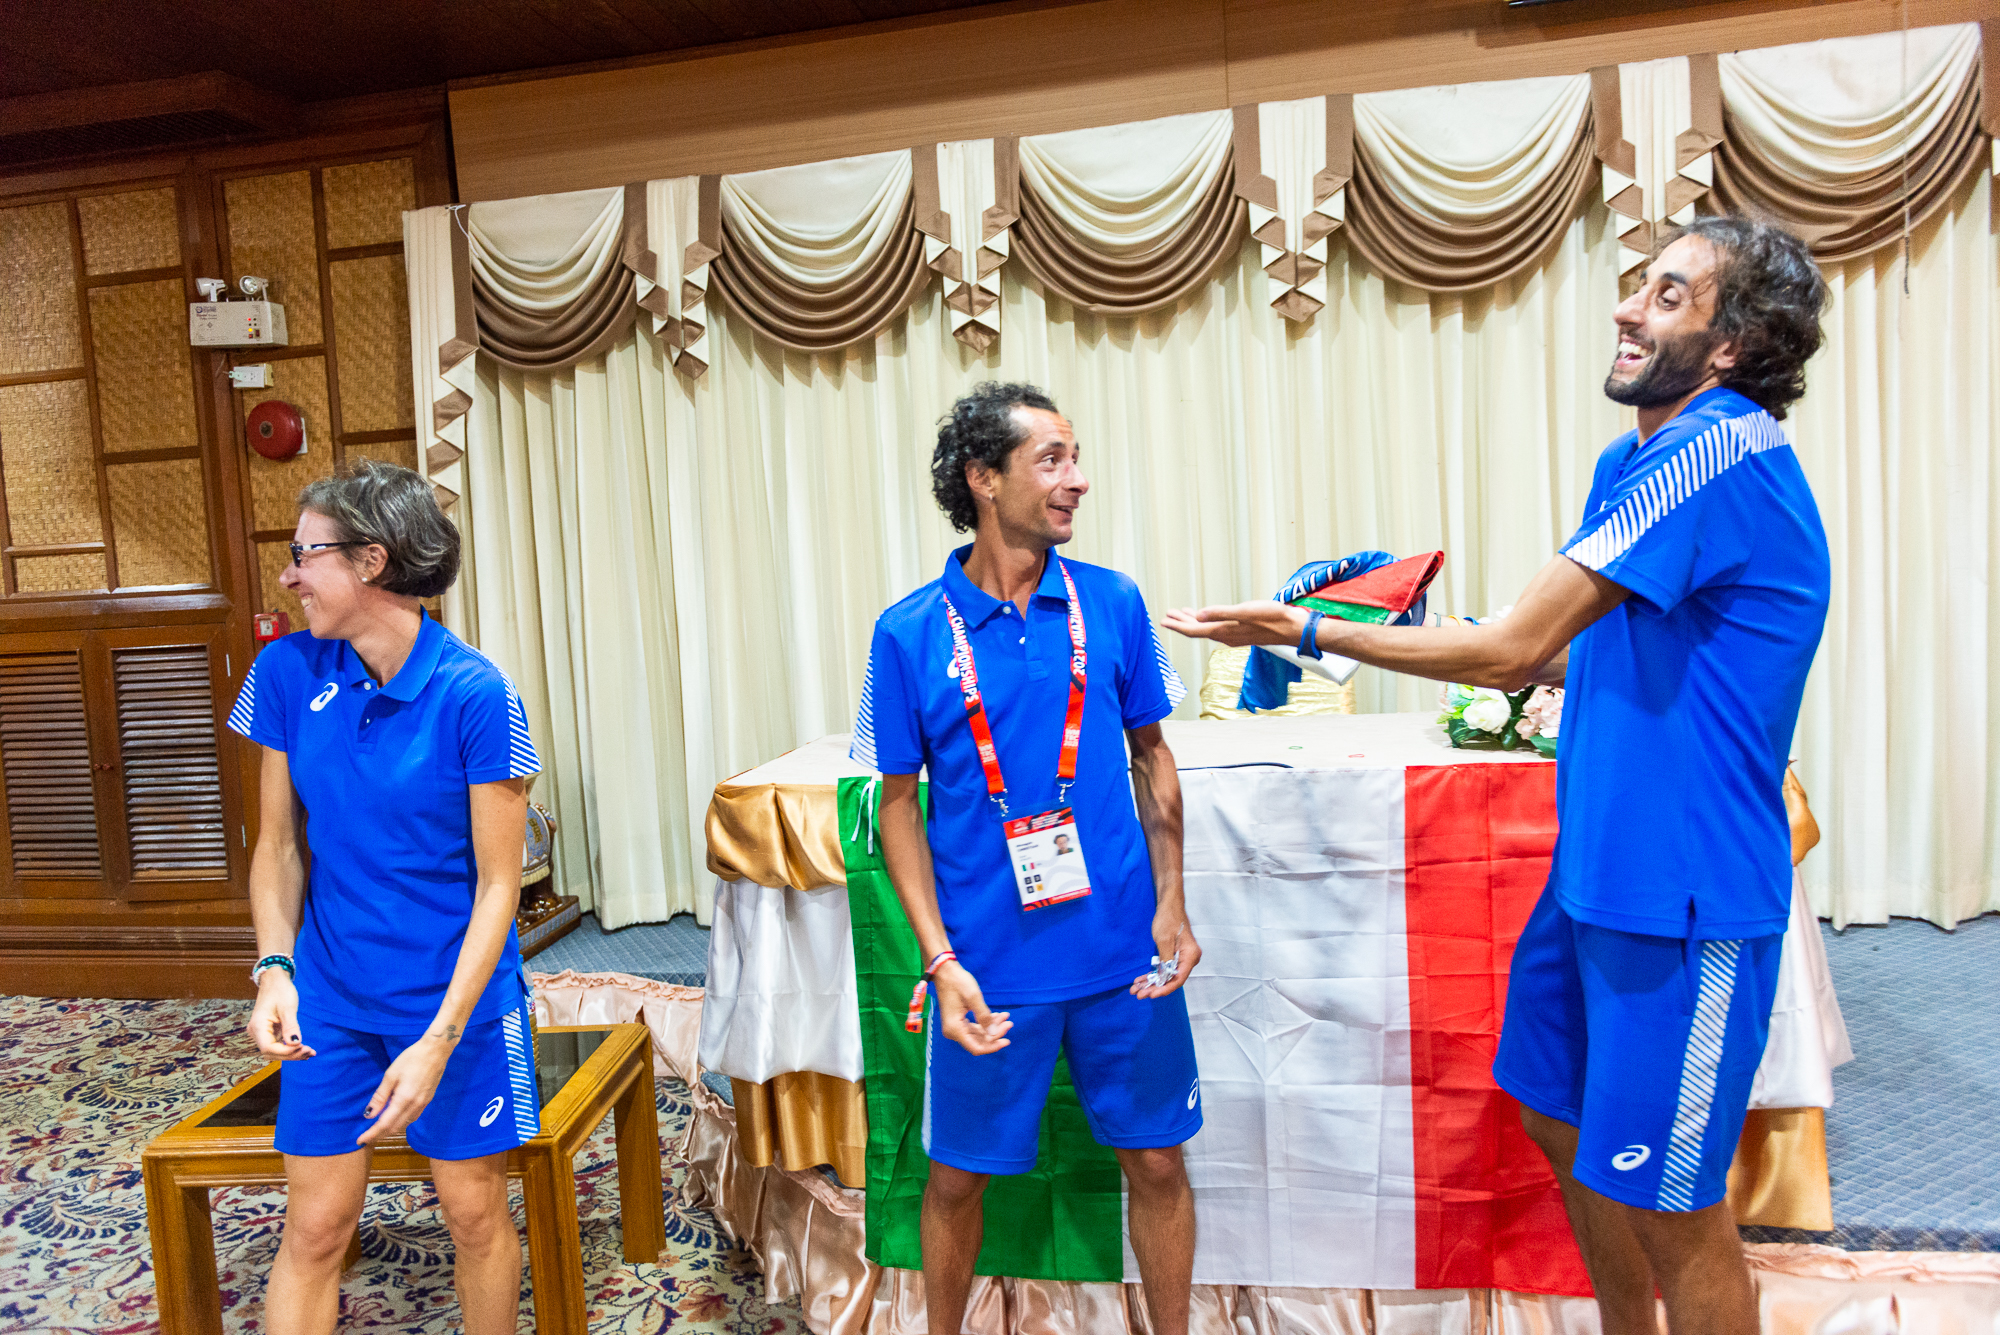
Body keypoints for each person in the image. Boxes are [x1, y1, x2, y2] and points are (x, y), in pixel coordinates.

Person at [1165, 216, 1830, 1335]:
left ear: (1731, 346)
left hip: (1687, 895)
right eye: (1639, 285)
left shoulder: (1716, 448)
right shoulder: (1634, 461)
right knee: (1558, 1125)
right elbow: (1575, 651)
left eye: (1668, 295)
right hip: (1596, 878)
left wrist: (1305, 627)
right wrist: (1434, 632)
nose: (1627, 308)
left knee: (1675, 1207)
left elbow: (1515, 651)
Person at [854, 382, 1203, 1335]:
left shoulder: (1113, 602)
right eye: (1052, 459)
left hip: (1123, 950)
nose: (1077, 479)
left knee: (1158, 1158)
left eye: (1075, 457)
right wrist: (939, 957)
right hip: (989, 965)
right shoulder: (907, 632)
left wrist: (1172, 902)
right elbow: (895, 805)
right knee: (957, 1177)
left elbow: (1153, 757)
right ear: (983, 478)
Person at [228, 460, 541, 1335]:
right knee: (314, 1228)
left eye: (305, 555)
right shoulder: (287, 670)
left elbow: (500, 887)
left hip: (456, 1001)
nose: (288, 576)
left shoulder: (476, 693)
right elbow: (277, 847)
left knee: (473, 1215)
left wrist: (439, 1038)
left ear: (372, 560)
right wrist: (275, 967)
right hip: (332, 996)